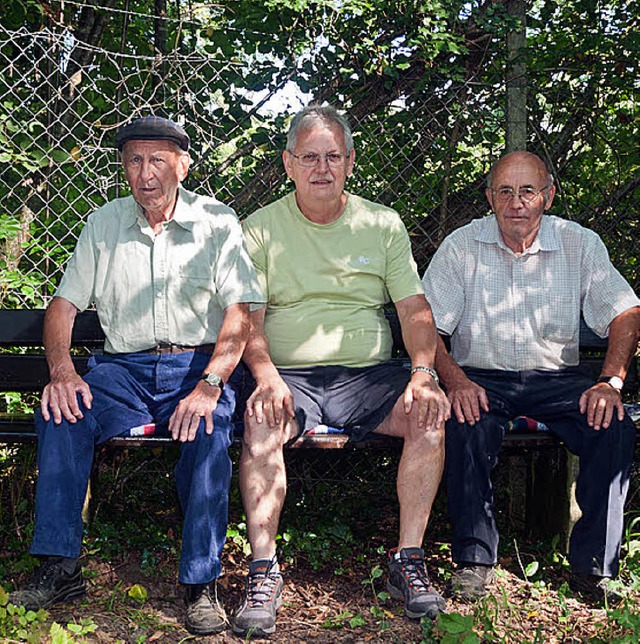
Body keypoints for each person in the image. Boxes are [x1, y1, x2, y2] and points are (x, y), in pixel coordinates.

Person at [9, 116, 263, 636]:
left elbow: (240, 314)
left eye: (158, 160)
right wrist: (61, 371)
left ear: (183, 165)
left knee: (209, 430)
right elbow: (63, 307)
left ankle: (201, 582)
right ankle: (60, 566)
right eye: (134, 160)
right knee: (61, 412)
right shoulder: (104, 224)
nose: (146, 173)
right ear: (123, 167)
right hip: (123, 370)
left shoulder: (217, 222)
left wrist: (211, 384)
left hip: (195, 367)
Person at [232, 104, 451, 637]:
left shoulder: (381, 224)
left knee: (428, 415)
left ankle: (409, 560)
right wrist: (264, 375)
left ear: (351, 161)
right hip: (288, 376)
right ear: (288, 163)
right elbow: (247, 321)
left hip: (366, 376)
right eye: (309, 157)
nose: (322, 168)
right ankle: (263, 571)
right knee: (261, 422)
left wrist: (423, 370)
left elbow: (414, 312)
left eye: (333, 156)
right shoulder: (259, 229)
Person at [422, 151, 640, 604]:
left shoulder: (578, 243)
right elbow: (427, 326)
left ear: (548, 195)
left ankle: (594, 570)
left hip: (557, 378)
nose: (516, 202)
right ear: (489, 198)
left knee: (613, 425)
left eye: (527, 191)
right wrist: (455, 380)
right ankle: (475, 562)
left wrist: (610, 380)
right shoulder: (462, 246)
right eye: (504, 191)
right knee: (463, 422)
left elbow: (625, 309)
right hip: (482, 378)